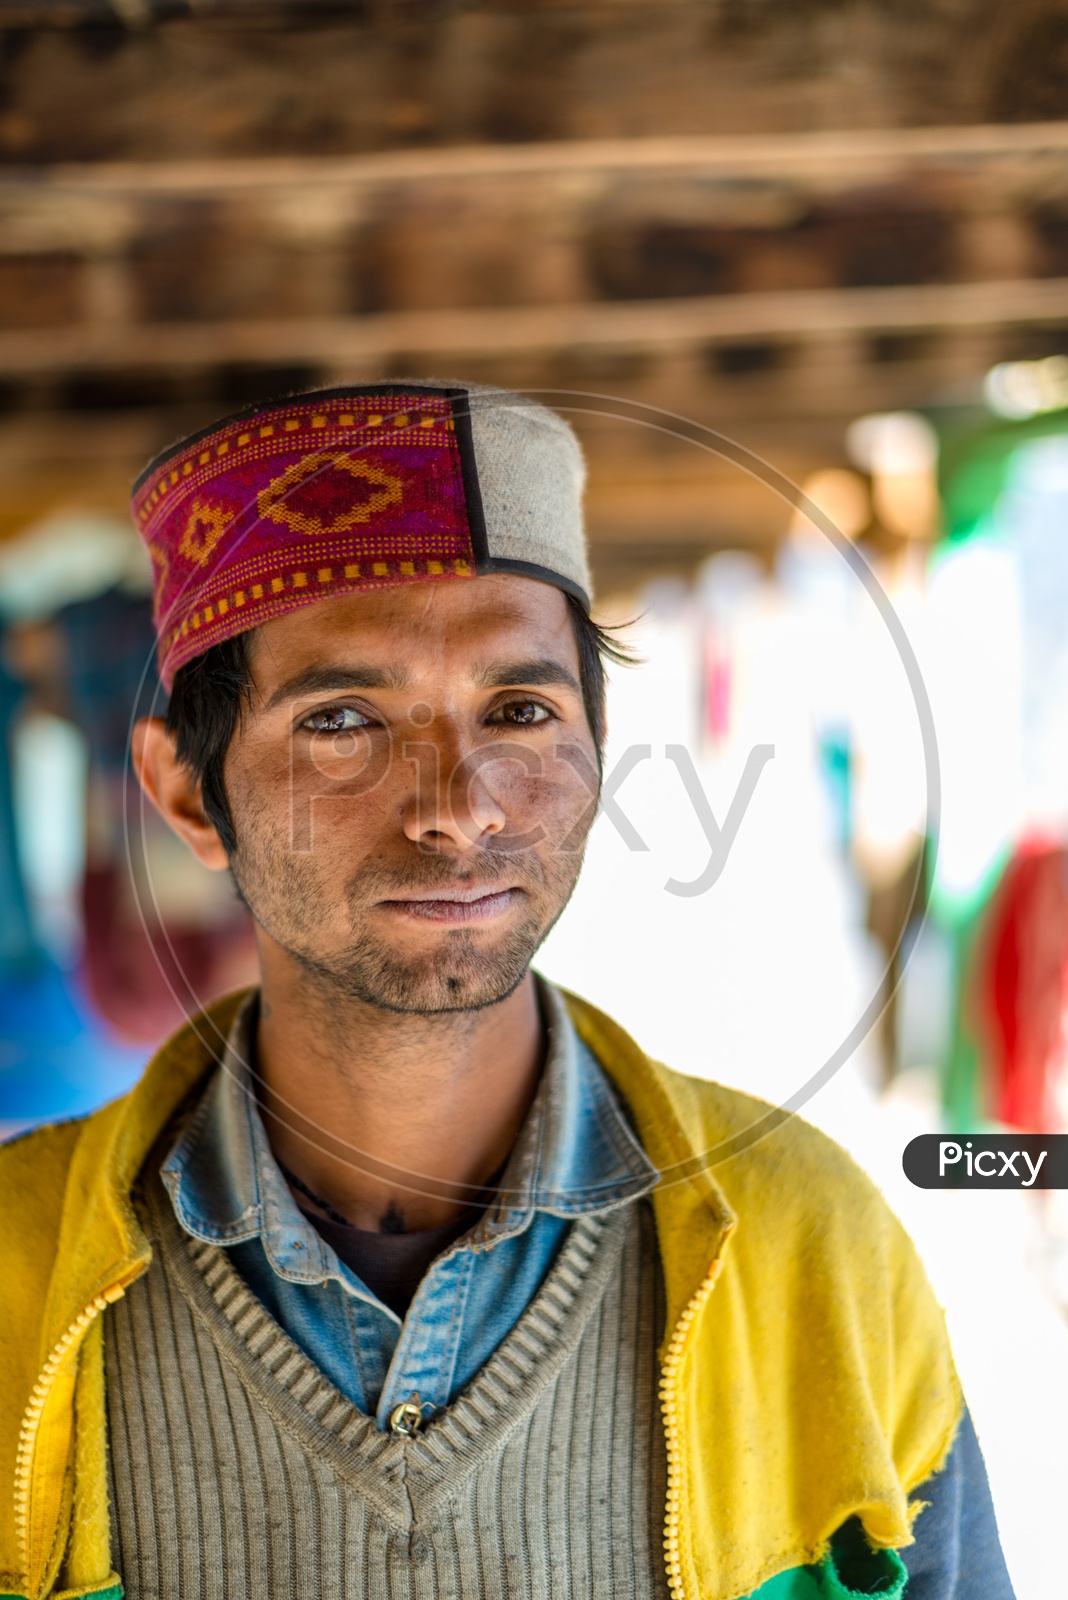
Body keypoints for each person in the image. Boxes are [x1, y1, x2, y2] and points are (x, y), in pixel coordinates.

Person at [0, 383, 1013, 1600]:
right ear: (182, 794)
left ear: (597, 745)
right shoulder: (17, 1278)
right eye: (343, 721)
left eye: (522, 709)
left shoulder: (815, 1250)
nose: (458, 803)